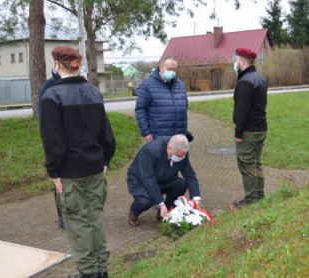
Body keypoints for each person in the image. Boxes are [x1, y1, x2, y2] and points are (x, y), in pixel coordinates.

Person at [40, 45, 116, 278]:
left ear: (56, 65)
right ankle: (101, 270)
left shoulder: (51, 96)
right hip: (95, 168)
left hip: (71, 172)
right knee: (95, 219)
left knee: (78, 223)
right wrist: (105, 158)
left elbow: (53, 141)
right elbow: (106, 133)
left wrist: (54, 173)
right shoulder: (93, 92)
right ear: (76, 65)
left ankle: (89, 272)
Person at [126, 134, 201, 226]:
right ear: (169, 149)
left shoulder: (181, 151)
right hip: (140, 180)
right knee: (145, 202)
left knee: (181, 184)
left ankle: (164, 212)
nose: (180, 158)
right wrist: (160, 204)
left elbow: (189, 174)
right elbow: (149, 179)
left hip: (162, 178)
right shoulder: (150, 151)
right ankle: (133, 212)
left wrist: (196, 198)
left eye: (182, 156)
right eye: (178, 156)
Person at [232, 47, 268, 209]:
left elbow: (242, 110)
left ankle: (251, 199)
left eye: (236, 59)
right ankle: (259, 195)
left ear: (241, 60)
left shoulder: (245, 81)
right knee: (256, 162)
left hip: (249, 131)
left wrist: (238, 131)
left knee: (247, 164)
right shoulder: (259, 77)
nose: (235, 62)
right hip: (261, 128)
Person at [38, 60, 65, 229]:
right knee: (61, 183)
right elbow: (46, 123)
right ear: (56, 64)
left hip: (77, 144)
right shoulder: (48, 87)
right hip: (58, 144)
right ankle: (63, 217)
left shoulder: (74, 84)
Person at [135, 57, 188, 143]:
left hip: (179, 136)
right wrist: (146, 132)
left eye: (174, 70)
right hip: (158, 136)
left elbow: (184, 107)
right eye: (169, 69)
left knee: (179, 157)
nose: (172, 72)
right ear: (161, 67)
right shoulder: (147, 85)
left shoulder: (181, 85)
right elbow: (140, 110)